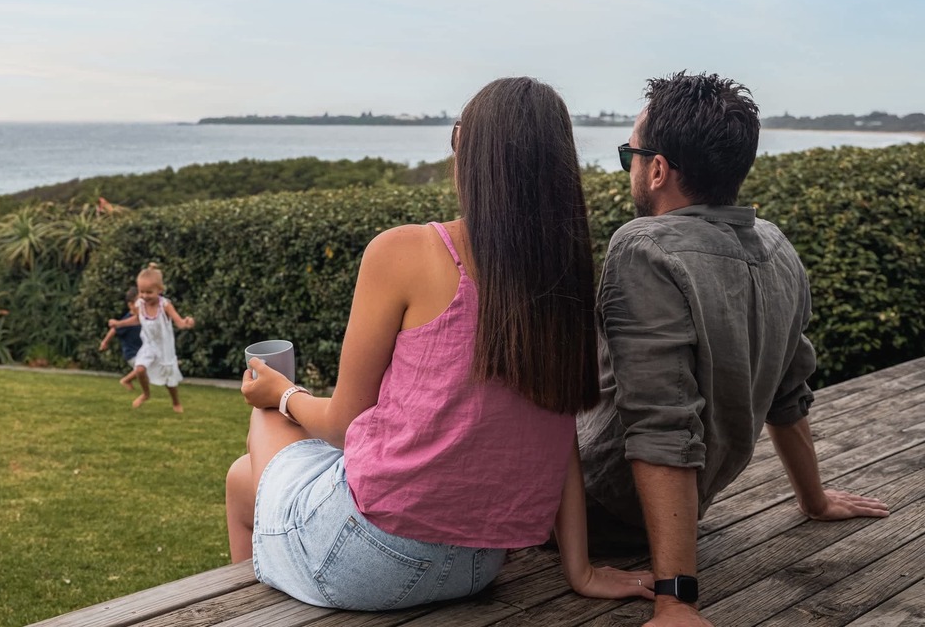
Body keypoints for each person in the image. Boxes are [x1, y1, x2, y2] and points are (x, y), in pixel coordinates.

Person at [224, 77, 654, 611]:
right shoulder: (562, 279)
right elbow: (558, 429)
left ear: (469, 154)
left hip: (366, 552)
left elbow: (341, 425)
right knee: (243, 480)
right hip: (477, 564)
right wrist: (580, 570)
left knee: (264, 420)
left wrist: (283, 394)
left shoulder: (403, 251)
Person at [577, 71, 890, 627]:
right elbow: (789, 389)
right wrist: (814, 500)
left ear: (657, 169)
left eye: (630, 154)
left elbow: (661, 422)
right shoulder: (775, 244)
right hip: (683, 507)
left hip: (597, 508)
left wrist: (676, 600)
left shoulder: (643, 246)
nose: (630, 168)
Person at [106, 263, 196, 412]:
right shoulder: (140, 304)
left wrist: (187, 323)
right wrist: (119, 323)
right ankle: (146, 394)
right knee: (140, 369)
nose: (145, 296)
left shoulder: (165, 305)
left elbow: (179, 322)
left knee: (169, 379)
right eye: (142, 292)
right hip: (149, 345)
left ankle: (176, 402)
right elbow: (137, 319)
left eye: (149, 292)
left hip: (164, 348)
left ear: (160, 290)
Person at [98, 286, 146, 393]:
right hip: (132, 353)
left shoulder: (143, 317)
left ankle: (128, 381)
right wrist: (105, 342)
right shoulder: (127, 320)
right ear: (131, 305)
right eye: (139, 302)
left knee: (148, 367)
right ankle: (126, 380)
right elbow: (114, 329)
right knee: (145, 367)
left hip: (142, 351)